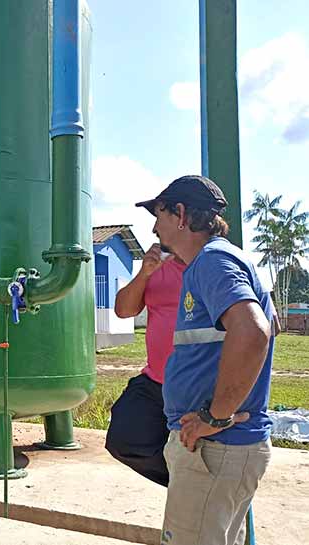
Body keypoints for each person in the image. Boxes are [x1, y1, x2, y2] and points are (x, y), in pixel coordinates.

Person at [136, 175, 275, 545]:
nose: (154, 225)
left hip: (218, 449)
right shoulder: (219, 261)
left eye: (160, 213)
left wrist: (216, 415)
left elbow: (253, 331)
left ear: (181, 214)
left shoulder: (212, 261)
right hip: (223, 450)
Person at [105, 243, 185, 486]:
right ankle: (186, 482)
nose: (154, 229)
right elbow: (123, 310)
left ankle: (194, 486)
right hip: (156, 379)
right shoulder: (158, 266)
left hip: (193, 384)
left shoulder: (210, 264)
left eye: (160, 218)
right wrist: (144, 272)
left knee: (196, 447)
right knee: (123, 439)